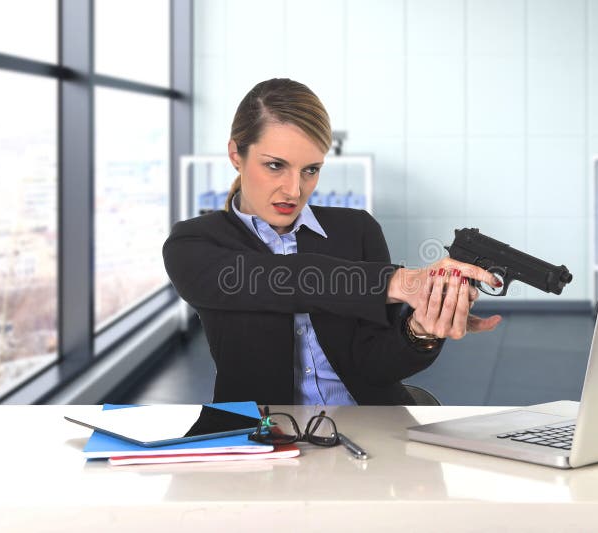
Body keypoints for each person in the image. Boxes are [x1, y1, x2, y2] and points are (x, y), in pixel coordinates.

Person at [162, 78, 502, 406]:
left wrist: (420, 329)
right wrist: (398, 281)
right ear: (236, 154)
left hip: (367, 431)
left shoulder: (357, 230)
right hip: (261, 439)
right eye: (275, 166)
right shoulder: (194, 244)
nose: (294, 190)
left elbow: (375, 366)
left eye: (311, 170)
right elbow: (278, 278)